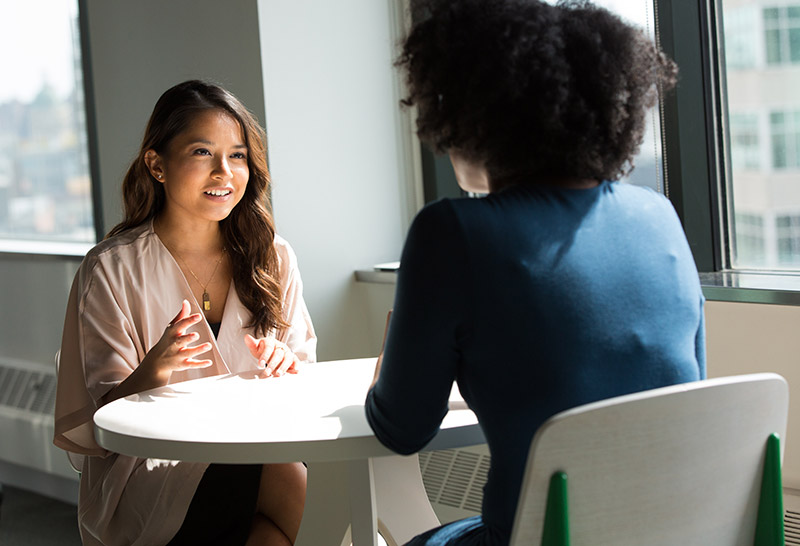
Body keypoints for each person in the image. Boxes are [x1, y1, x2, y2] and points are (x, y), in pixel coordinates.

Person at [365, 1, 705, 545]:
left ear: (473, 115)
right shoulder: (659, 218)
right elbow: (684, 392)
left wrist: (390, 373)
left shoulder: (452, 231)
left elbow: (402, 429)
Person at [54, 80, 316, 546]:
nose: (224, 172)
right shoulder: (111, 268)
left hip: (259, 450)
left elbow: (305, 379)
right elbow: (101, 426)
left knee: (273, 529)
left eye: (237, 155)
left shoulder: (273, 257)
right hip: (150, 473)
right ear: (157, 165)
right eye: (202, 153)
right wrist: (151, 373)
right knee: (292, 481)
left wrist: (287, 365)